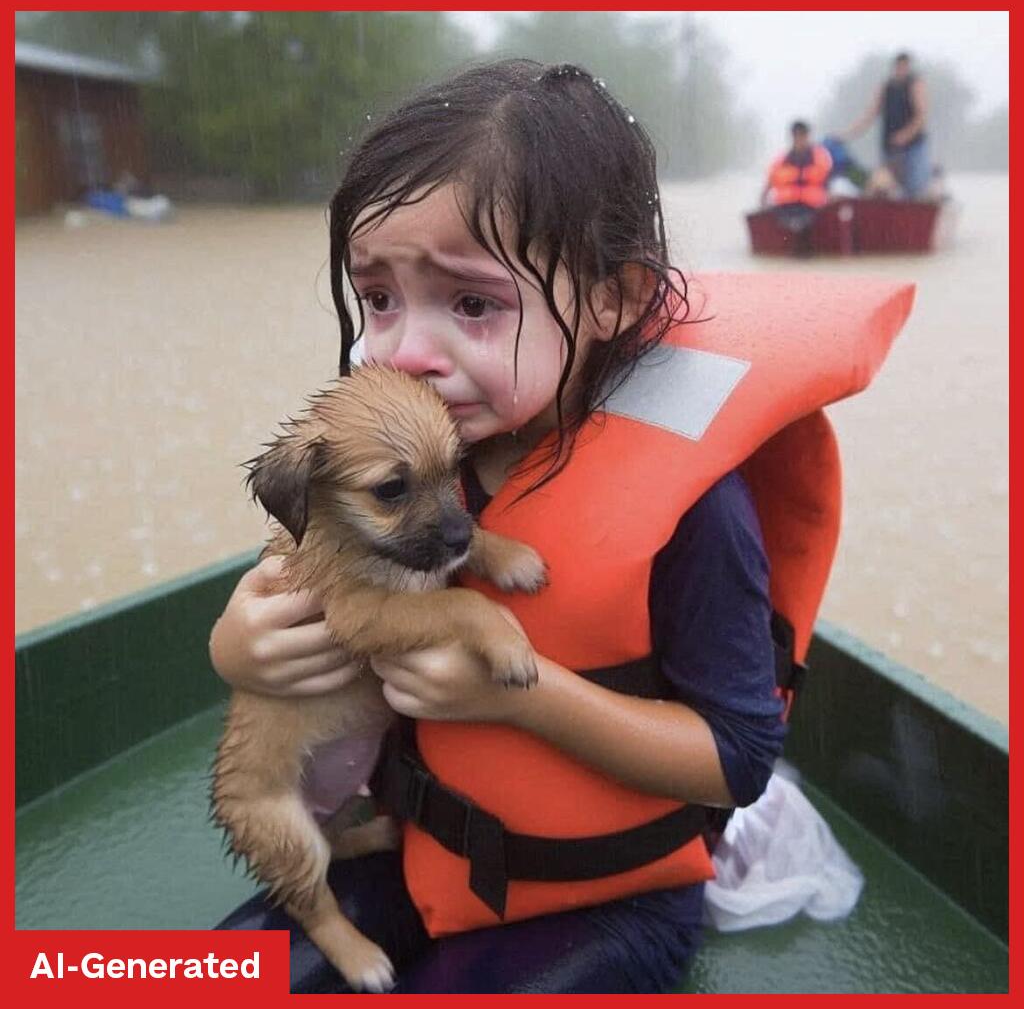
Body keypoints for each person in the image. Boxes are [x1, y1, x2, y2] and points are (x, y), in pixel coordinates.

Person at [207, 59, 904, 993]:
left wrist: (518, 697)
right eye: (377, 297)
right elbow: (310, 583)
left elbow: (736, 761)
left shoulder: (697, 510)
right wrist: (238, 648)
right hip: (406, 842)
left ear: (612, 296)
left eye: (472, 304)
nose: (407, 351)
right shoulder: (404, 446)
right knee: (182, 975)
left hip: (600, 894)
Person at [841, 51, 931, 199]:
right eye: (899, 66)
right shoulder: (887, 86)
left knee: (914, 188)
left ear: (909, 67)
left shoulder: (915, 84)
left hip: (913, 147)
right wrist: (847, 134)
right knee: (883, 187)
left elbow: (922, 116)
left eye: (904, 66)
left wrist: (905, 135)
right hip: (890, 148)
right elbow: (870, 114)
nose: (901, 70)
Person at [760, 119, 833, 215]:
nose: (799, 138)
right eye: (796, 135)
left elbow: (828, 181)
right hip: (784, 208)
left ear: (807, 136)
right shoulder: (781, 160)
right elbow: (769, 183)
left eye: (802, 134)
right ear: (792, 137)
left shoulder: (820, 157)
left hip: (813, 208)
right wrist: (763, 200)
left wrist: (830, 199)